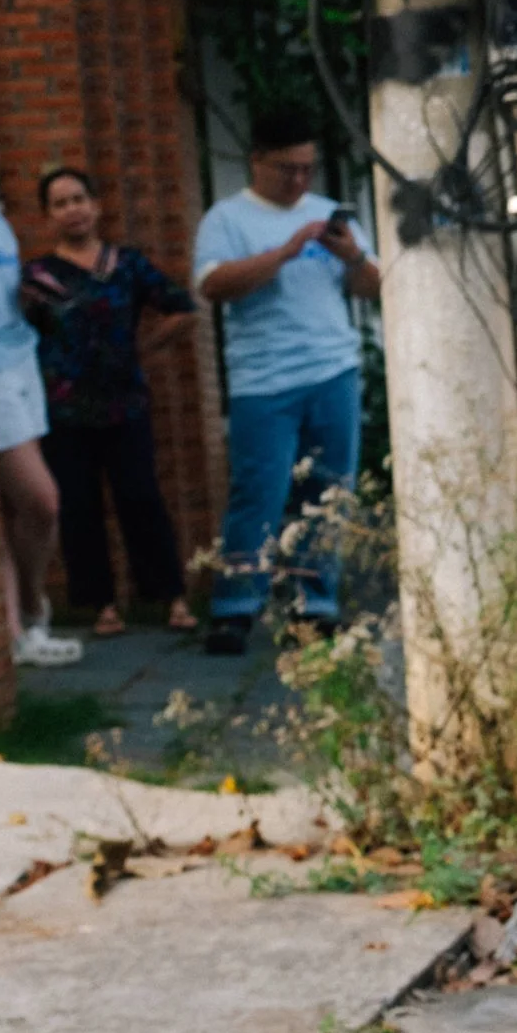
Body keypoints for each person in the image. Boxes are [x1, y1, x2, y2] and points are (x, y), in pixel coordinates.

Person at [193, 110, 381, 655]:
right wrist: (285, 250)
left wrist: (353, 256)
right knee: (260, 493)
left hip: (332, 371)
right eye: (286, 170)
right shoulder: (226, 219)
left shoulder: (329, 215)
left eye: (307, 169)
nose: (299, 181)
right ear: (256, 161)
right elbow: (215, 286)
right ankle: (235, 608)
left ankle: (315, 607)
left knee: (327, 492)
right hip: (263, 380)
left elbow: (374, 287)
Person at [21, 169, 201, 638]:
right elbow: (20, 335)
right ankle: (101, 607)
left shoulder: (127, 264)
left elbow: (183, 309)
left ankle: (171, 599)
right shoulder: (37, 278)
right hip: (65, 410)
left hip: (126, 404)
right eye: (60, 203)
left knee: (141, 497)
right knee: (79, 506)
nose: (72, 209)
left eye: (79, 198)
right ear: (48, 216)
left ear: (97, 204)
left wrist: (144, 348)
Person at [0, 107, 80, 668]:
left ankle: (21, 630)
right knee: (40, 500)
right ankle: (31, 613)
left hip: (20, 361)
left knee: (19, 509)